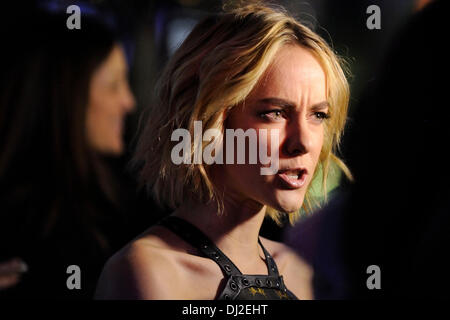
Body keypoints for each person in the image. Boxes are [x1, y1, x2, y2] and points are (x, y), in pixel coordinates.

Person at [95, 3, 352, 300]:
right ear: (211, 117)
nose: (304, 141)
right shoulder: (147, 272)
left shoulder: (304, 270)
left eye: (318, 115)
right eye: (275, 113)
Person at [0, 9, 144, 298]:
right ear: (68, 96)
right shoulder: (22, 222)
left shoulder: (129, 191)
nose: (128, 102)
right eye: (114, 85)